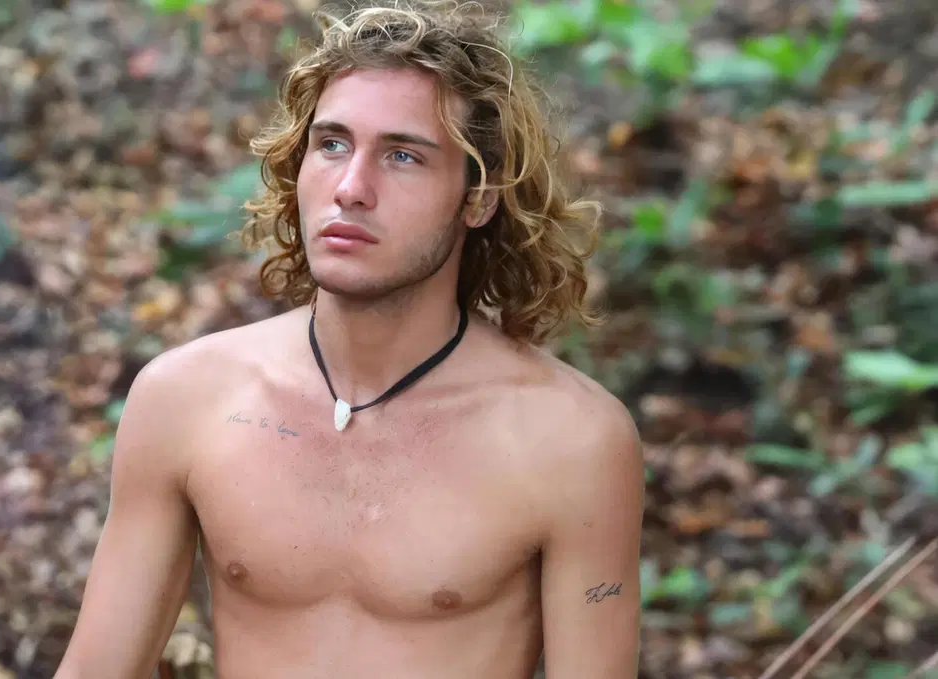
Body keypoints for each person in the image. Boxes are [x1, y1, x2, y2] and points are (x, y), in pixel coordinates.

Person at [52, 1, 645, 677]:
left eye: (403, 156)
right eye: (332, 145)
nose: (351, 188)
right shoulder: (187, 399)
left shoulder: (570, 440)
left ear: (478, 198)